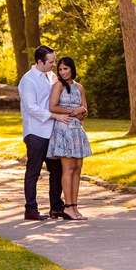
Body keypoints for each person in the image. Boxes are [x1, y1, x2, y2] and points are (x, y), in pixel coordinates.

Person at [17, 45, 67, 221]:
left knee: (57, 170)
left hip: (52, 132)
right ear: (40, 62)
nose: (54, 65)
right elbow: (31, 108)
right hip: (36, 133)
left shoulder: (51, 76)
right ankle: (31, 209)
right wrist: (54, 115)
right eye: (51, 62)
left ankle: (56, 208)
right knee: (34, 172)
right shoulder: (28, 80)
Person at [47, 55, 93, 220]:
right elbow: (52, 106)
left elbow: (85, 110)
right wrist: (72, 111)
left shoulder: (79, 87)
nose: (62, 72)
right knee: (68, 168)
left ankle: (75, 206)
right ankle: (67, 207)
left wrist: (81, 112)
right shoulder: (58, 85)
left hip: (76, 130)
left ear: (72, 69)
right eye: (60, 69)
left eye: (65, 68)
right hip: (64, 128)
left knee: (77, 168)